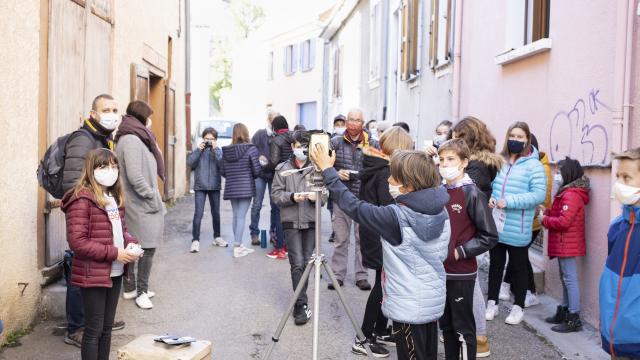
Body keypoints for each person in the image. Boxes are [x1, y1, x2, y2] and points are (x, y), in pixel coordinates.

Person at [311, 146, 450, 360]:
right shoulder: (441, 209)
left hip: (408, 307)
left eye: (394, 177)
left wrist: (328, 170)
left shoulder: (397, 217)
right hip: (431, 300)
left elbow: (354, 207)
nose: (388, 181)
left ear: (409, 185)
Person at [61, 149, 142, 360]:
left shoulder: (112, 197)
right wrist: (115, 253)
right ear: (91, 169)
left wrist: (131, 244)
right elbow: (78, 242)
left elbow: (119, 230)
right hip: (93, 272)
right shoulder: (81, 199)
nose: (110, 170)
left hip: (114, 271)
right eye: (103, 166)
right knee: (93, 330)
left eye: (114, 166)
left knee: (107, 329)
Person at [61, 94, 123, 347]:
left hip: (109, 252)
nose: (111, 113)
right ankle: (76, 326)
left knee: (102, 327)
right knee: (82, 278)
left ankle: (87, 324)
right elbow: (73, 183)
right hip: (90, 235)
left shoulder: (104, 138)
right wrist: (90, 202)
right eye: (105, 109)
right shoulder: (83, 139)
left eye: (115, 109)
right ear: (93, 114)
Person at [352, 126, 415, 357]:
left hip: (375, 232)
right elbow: (391, 205)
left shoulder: (377, 165)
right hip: (380, 234)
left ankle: (379, 330)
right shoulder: (385, 172)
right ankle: (364, 338)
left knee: (384, 283)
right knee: (382, 287)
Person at [437, 139, 498, 360]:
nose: (445, 164)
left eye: (451, 159)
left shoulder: (471, 193)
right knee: (447, 327)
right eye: (442, 159)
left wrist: (459, 252)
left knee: (463, 328)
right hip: (440, 270)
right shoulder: (441, 191)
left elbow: (489, 236)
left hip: (461, 272)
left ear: (464, 162)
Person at [451, 116, 503, 357]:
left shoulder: (476, 169)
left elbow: (466, 197)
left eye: (457, 138)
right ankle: (467, 331)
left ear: (467, 140)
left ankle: (479, 337)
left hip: (470, 236)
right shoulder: (480, 165)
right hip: (468, 234)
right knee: (467, 286)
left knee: (469, 287)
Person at [486, 122, 546, 325]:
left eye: (520, 137)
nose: (516, 139)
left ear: (527, 139)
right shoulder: (501, 161)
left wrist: (509, 201)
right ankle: (491, 303)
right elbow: (495, 185)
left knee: (519, 268)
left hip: (518, 226)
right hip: (498, 223)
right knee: (495, 265)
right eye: (512, 135)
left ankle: (518, 307)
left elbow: (538, 195)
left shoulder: (534, 165)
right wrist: (493, 198)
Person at [271, 131, 326, 326]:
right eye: (296, 145)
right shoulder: (283, 168)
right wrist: (293, 197)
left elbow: (325, 196)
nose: (299, 149)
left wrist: (316, 197)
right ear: (292, 147)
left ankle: (300, 301)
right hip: (291, 221)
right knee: (297, 263)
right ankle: (300, 305)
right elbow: (276, 196)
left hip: (310, 221)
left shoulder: (316, 168)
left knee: (306, 263)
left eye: (303, 145)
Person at [115, 101, 165, 310]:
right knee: (147, 247)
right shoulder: (132, 140)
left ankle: (130, 289)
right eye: (149, 116)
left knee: (136, 246)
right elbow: (135, 176)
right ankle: (141, 292)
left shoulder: (133, 136)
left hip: (138, 202)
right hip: (141, 203)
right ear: (143, 117)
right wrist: (153, 196)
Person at [328, 109, 379, 291]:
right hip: (341, 197)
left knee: (361, 239)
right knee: (341, 239)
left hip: (363, 198)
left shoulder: (372, 144)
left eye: (357, 120)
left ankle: (361, 275)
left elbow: (378, 171)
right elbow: (321, 165)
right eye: (351, 119)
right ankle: (337, 275)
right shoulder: (334, 142)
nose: (353, 123)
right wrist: (335, 173)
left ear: (363, 122)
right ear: (346, 121)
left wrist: (359, 175)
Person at [501, 134, 551, 307]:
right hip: (524, 219)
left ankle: (528, 292)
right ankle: (516, 289)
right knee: (519, 257)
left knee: (519, 258)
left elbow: (537, 196)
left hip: (531, 220)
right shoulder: (531, 164)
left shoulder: (538, 167)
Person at [599, 147, 640, 360]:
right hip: (616, 337)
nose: (619, 184)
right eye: (618, 177)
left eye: (627, 177)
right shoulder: (618, 226)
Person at [541, 157, 589, 333]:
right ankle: (564, 310)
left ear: (567, 173)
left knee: (570, 278)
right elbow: (560, 213)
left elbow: (563, 221)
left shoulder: (571, 194)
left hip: (567, 243)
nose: (556, 175)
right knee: (565, 278)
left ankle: (573, 318)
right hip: (564, 243)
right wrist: (547, 212)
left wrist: (544, 220)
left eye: (559, 172)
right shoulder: (567, 192)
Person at [221, 123, 262, 258]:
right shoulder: (251, 149)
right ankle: (237, 246)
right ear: (246, 133)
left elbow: (223, 171)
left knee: (235, 215)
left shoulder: (226, 151)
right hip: (245, 187)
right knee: (241, 216)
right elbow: (256, 171)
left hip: (232, 186)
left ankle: (238, 244)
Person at [187, 127, 227, 253]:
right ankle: (195, 240)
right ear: (203, 139)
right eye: (206, 139)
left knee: (216, 213)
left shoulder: (218, 151)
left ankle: (217, 237)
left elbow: (222, 164)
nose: (209, 141)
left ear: (215, 140)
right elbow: (190, 162)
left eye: (211, 139)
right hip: (200, 186)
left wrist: (215, 149)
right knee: (198, 214)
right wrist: (199, 149)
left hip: (215, 185)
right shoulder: (199, 150)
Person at [249, 109, 283, 251]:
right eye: (273, 120)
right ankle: (254, 233)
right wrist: (258, 157)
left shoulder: (280, 136)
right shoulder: (260, 134)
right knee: (257, 204)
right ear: (269, 121)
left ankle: (273, 232)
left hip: (275, 175)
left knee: (275, 206)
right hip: (260, 174)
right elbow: (250, 149)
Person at [264, 115, 294, 259]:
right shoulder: (294, 136)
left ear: (275, 127)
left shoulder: (276, 140)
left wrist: (264, 166)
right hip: (294, 177)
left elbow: (274, 161)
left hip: (280, 178)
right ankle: (288, 245)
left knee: (278, 212)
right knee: (290, 212)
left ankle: (279, 248)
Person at [327, 114, 347, 243]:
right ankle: (335, 231)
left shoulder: (348, 140)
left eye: (342, 125)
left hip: (347, 179)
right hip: (334, 178)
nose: (339, 127)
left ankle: (342, 231)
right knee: (332, 208)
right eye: (337, 125)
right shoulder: (331, 140)